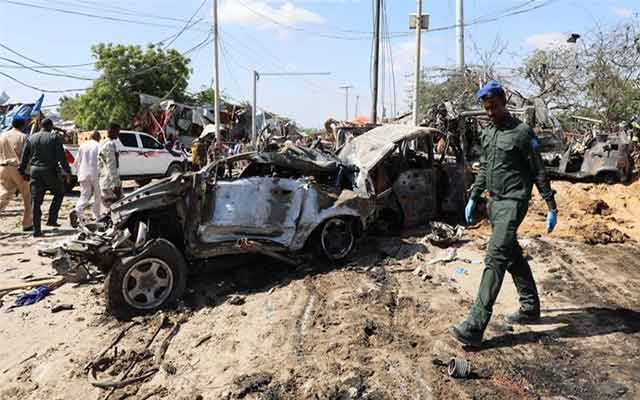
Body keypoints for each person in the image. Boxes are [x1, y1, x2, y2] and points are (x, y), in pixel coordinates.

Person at [449, 81, 558, 347]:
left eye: (494, 107)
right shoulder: (488, 133)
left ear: (504, 103)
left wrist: (550, 205)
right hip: (494, 203)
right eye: (486, 109)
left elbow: (538, 170)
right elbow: (485, 167)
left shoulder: (521, 133)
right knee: (511, 255)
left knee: (495, 256)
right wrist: (474, 197)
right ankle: (530, 307)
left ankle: (475, 325)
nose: (490, 113)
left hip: (514, 202)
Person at [19, 118, 71, 237]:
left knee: (35, 201)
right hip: (50, 171)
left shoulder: (31, 138)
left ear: (41, 126)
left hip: (35, 171)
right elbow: (61, 157)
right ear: (51, 127)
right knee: (59, 192)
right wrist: (67, 172)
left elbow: (24, 157)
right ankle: (52, 219)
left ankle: (37, 231)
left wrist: (22, 172)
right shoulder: (54, 138)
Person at [0, 116, 33, 231]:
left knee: (4, 195)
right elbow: (26, 156)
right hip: (18, 169)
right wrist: (26, 172)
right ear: (23, 125)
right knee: (27, 197)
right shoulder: (23, 137)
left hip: (3, 167)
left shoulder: (2, 136)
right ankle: (27, 223)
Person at [69, 130, 101, 227]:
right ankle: (96, 216)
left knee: (84, 195)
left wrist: (76, 173)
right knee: (98, 196)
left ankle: (77, 211)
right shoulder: (99, 146)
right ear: (98, 138)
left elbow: (76, 161)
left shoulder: (82, 146)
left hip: (83, 174)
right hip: (96, 174)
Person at [98, 123, 122, 211]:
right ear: (111, 131)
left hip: (103, 179)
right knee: (115, 208)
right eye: (117, 132)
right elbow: (112, 165)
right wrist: (116, 184)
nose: (118, 134)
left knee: (106, 207)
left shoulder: (102, 143)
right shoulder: (110, 145)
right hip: (110, 182)